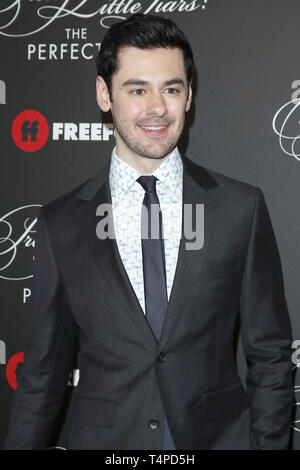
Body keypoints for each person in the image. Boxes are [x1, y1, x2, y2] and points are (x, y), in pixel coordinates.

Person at [4, 13, 293, 450]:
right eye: (137, 89)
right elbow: (43, 372)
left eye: (171, 89)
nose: (156, 107)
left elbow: (270, 356)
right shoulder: (61, 223)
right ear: (105, 94)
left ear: (189, 96)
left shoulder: (240, 209)